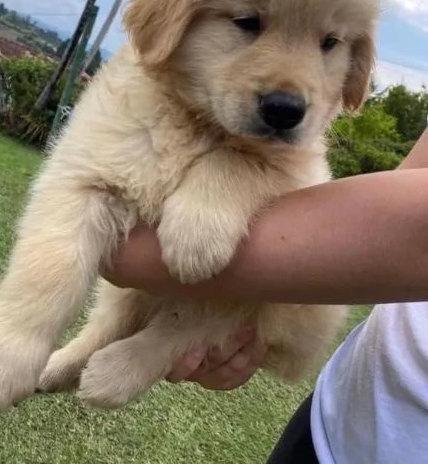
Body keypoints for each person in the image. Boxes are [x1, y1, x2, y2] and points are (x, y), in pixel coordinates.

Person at [104, 125, 428, 463]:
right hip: (337, 421)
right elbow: (390, 206)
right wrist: (253, 320)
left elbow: (410, 238)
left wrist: (127, 254)